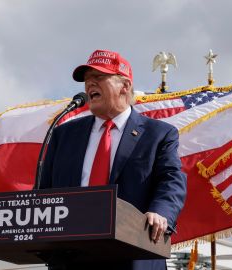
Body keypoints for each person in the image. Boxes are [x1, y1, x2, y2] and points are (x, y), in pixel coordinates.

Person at [39, 49, 187, 270]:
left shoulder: (158, 134)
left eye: (98, 78)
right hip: (70, 257)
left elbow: (171, 180)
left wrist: (161, 212)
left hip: (132, 254)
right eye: (87, 80)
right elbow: (46, 192)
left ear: (124, 86)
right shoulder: (63, 135)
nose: (90, 85)